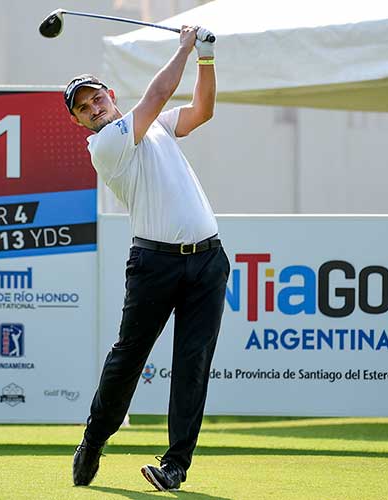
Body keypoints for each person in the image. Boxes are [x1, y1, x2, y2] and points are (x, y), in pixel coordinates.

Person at [66, 26, 227, 492]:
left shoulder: (152, 125)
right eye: (83, 108)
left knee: (193, 363)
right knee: (129, 357)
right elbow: (158, 93)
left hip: (208, 261)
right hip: (154, 264)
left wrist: (207, 59)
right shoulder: (107, 144)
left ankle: (176, 465)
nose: (93, 108)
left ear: (110, 95)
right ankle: (94, 440)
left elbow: (201, 111)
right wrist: (184, 47)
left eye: (95, 98)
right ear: (80, 122)